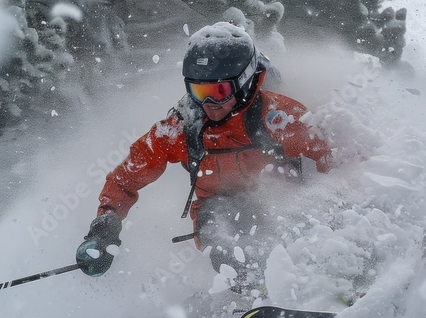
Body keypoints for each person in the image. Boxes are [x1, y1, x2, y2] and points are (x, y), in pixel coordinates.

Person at [76, 22, 333, 298]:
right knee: (217, 232)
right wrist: (106, 224)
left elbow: (332, 158)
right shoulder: (181, 128)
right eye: (199, 92)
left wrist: (337, 211)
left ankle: (317, 279)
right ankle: (258, 291)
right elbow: (126, 177)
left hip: (282, 202)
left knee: (289, 222)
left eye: (220, 91)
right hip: (219, 208)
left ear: (243, 82)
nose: (210, 102)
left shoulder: (277, 117)